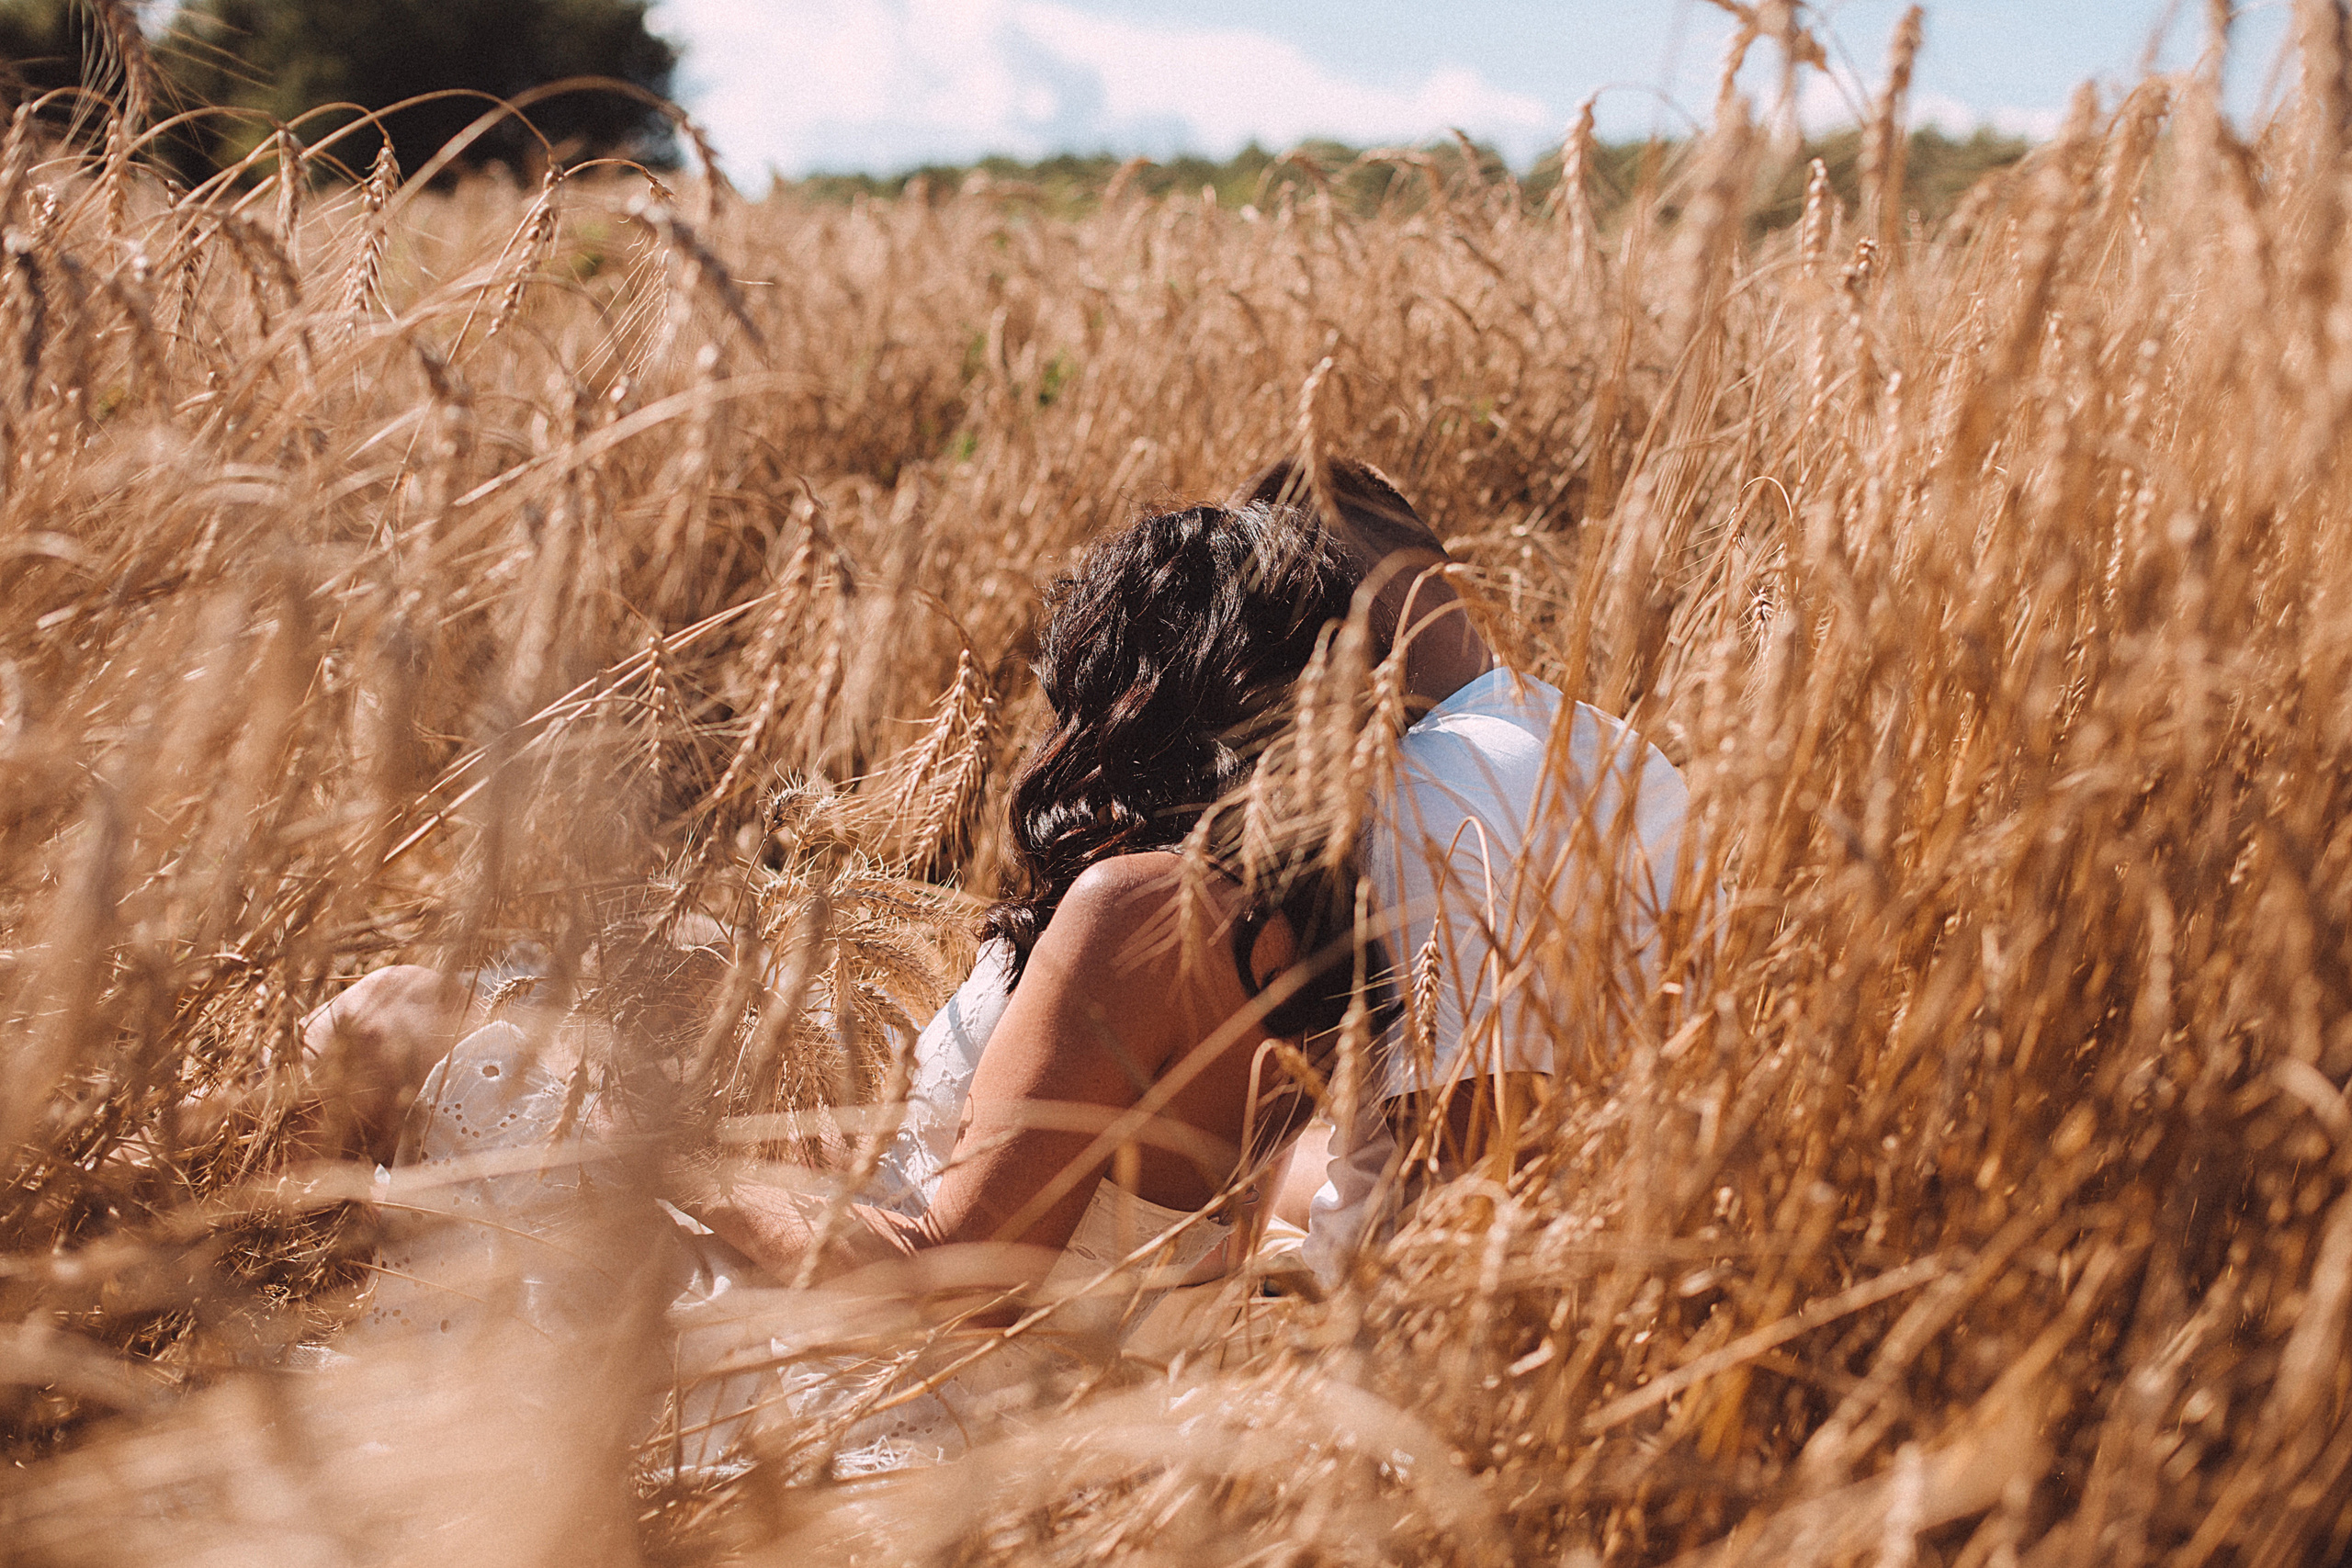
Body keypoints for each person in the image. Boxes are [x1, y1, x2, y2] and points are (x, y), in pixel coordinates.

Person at [299, 498, 1371, 1469]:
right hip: (1039, 1394)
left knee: (429, 1037)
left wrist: (668, 1156)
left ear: (1147, 683)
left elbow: (955, 1282)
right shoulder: (1310, 922)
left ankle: (264, 1304)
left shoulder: (1139, 907)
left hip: (888, 1384)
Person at [1230, 458, 1690, 1288]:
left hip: (1444, 1325)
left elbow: (1467, 1192)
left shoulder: (1427, 795)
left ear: (1300, 638)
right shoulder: (1617, 745)